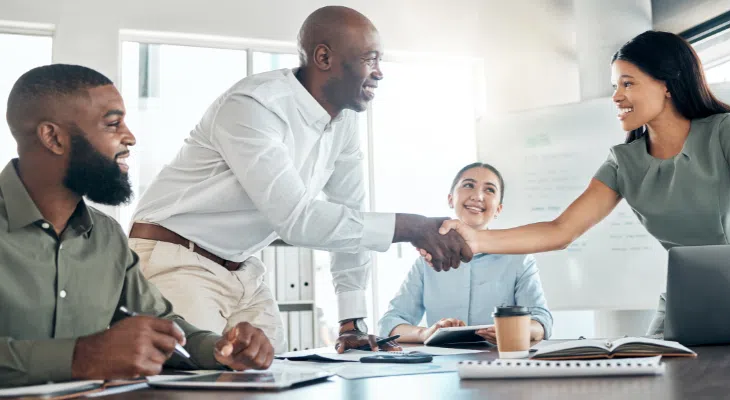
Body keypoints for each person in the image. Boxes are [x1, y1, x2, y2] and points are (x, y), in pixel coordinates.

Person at [128, 5, 471, 355]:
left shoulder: (344, 123)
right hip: (177, 258)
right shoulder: (254, 105)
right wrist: (413, 227)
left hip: (242, 271)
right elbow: (297, 219)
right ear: (324, 57)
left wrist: (351, 322)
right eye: (370, 60)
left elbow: (348, 211)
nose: (379, 73)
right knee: (194, 384)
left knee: (271, 378)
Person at [430, 31, 730, 335]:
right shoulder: (624, 162)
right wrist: (475, 239)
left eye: (628, 83)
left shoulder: (725, 132)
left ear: (667, 85)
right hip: (685, 307)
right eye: (614, 85)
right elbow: (561, 230)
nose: (616, 96)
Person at [0, 64, 273, 388]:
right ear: (53, 137)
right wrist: (80, 357)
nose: (129, 137)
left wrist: (221, 348)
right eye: (113, 124)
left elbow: (162, 323)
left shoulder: (107, 236)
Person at [378, 163, 552, 344]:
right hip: (441, 365)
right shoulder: (427, 260)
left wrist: (511, 330)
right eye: (468, 185)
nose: (477, 196)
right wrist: (425, 333)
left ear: (498, 209)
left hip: (498, 363)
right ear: (450, 199)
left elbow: (541, 323)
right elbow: (389, 323)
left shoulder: (519, 259)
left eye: (490, 190)